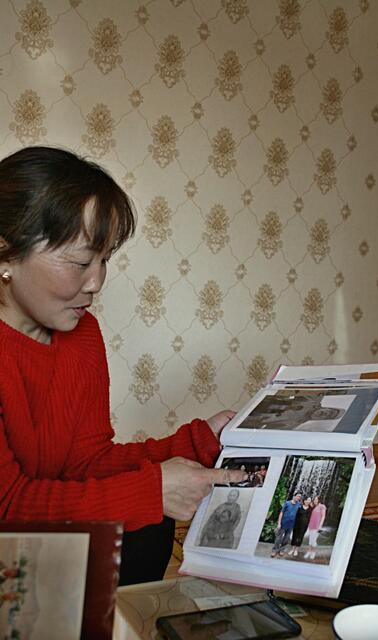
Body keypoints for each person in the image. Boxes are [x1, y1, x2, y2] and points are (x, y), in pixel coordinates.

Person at [0, 146, 246, 586]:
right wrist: (152, 490)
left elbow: (86, 462)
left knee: (147, 526)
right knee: (143, 506)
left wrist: (200, 440)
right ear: (5, 253)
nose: (96, 282)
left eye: (104, 260)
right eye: (80, 262)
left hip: (36, 551)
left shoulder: (81, 335)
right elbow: (8, 505)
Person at [270, 492, 301, 557]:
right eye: (298, 496)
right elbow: (281, 513)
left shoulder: (299, 505)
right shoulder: (287, 503)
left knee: (286, 539)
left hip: (291, 525)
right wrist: (279, 523)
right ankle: (274, 550)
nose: (298, 498)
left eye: (299, 497)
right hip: (283, 524)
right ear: (294, 496)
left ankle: (282, 550)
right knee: (278, 538)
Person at [305, 495, 327, 560]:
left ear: (319, 500)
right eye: (314, 499)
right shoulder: (314, 506)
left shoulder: (322, 506)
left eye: (316, 499)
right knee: (310, 540)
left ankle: (313, 552)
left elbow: (323, 516)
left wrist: (320, 526)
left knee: (314, 540)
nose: (314, 500)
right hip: (311, 525)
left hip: (317, 526)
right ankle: (309, 551)